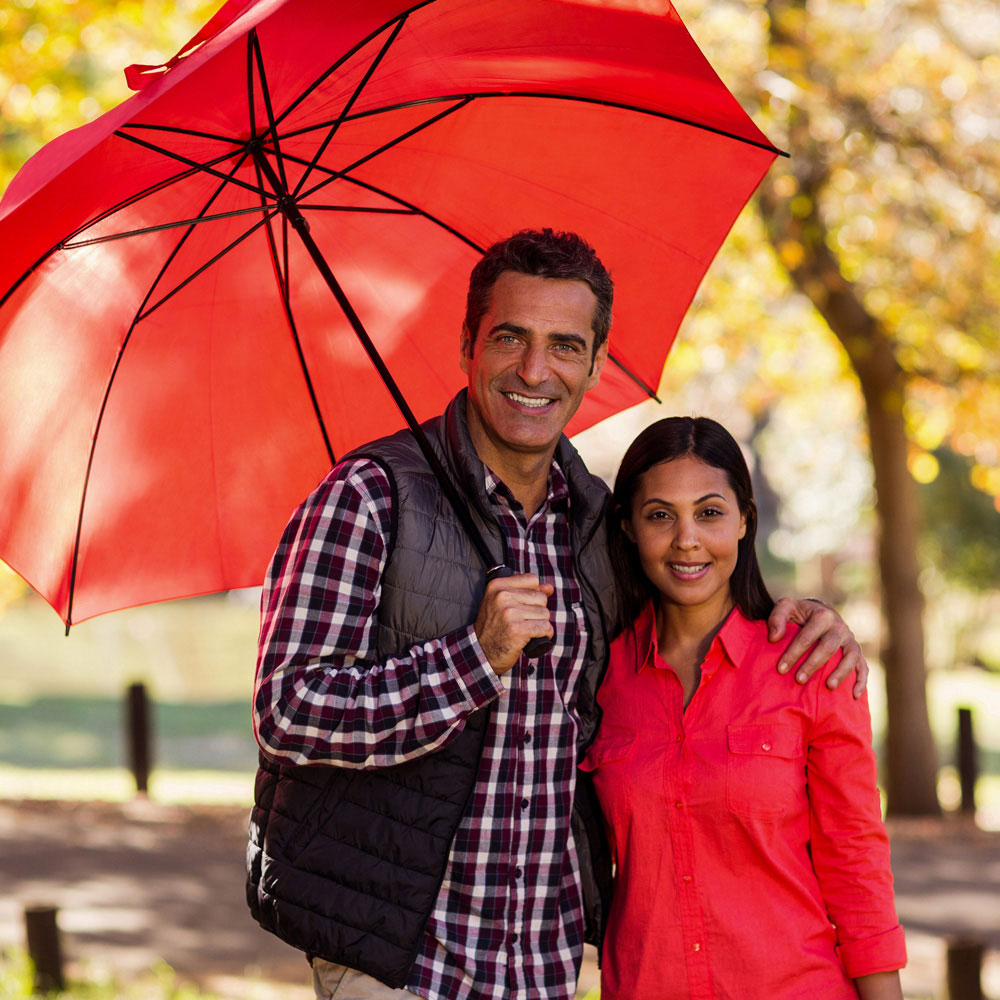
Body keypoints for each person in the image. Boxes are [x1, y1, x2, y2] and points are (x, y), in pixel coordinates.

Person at [246, 228, 868, 1000]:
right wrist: (472, 658)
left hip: (540, 965)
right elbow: (288, 709)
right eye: (510, 338)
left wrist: (800, 614)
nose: (535, 371)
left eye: (565, 346)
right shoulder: (370, 497)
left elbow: (692, 593)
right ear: (469, 343)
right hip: (402, 958)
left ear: (596, 364)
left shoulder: (599, 526)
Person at [587, 415, 906, 1000]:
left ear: (743, 522)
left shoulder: (809, 665)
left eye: (709, 512)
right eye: (661, 515)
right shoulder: (599, 679)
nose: (687, 538)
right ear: (629, 528)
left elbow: (855, 862)